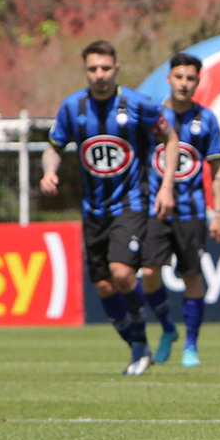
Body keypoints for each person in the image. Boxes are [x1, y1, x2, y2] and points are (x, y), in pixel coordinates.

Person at [41, 40, 180, 375]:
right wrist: (49, 170)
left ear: (116, 69)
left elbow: (171, 139)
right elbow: (54, 147)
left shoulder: (137, 104)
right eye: (93, 69)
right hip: (93, 211)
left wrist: (166, 186)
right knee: (104, 286)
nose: (99, 75)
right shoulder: (73, 108)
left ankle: (143, 339)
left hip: (131, 204)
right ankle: (137, 344)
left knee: (121, 272)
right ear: (85, 70)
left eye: (105, 68)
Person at [141, 52, 220, 368]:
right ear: (169, 78)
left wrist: (218, 212)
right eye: (179, 77)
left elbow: (217, 169)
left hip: (192, 212)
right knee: (149, 272)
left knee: (192, 275)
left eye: (190, 78)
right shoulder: (152, 117)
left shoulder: (206, 120)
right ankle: (166, 329)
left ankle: (191, 345)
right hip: (155, 210)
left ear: (197, 82)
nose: (184, 83)